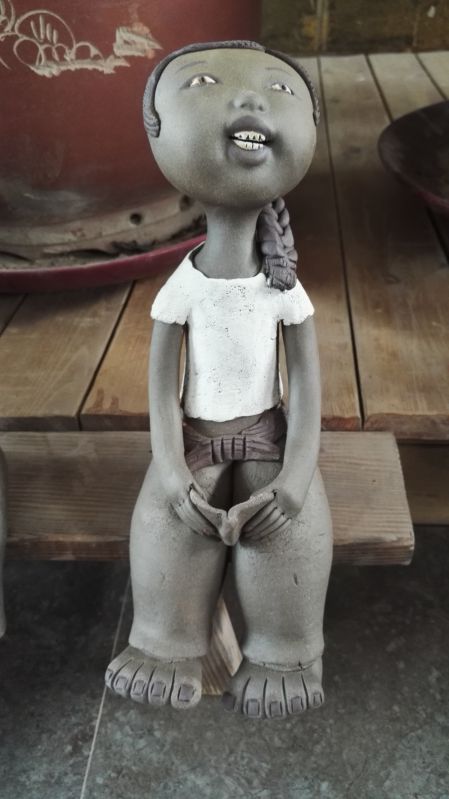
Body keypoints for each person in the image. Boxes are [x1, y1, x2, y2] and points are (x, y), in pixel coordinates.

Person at [105, 40, 333, 720]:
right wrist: (172, 470)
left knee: (288, 523)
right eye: (203, 81)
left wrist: (297, 474)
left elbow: (305, 382)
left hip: (269, 434)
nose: (249, 97)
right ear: (155, 129)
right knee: (167, 517)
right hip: (196, 436)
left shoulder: (282, 286)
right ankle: (163, 639)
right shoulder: (184, 288)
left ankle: (288, 646)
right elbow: (161, 389)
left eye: (280, 89)